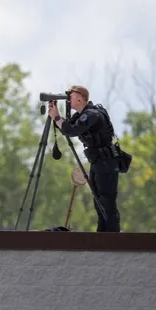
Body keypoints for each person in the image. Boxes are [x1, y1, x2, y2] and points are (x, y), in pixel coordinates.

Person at [48, 85, 121, 232]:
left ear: (80, 98)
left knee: (106, 200)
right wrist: (57, 113)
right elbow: (67, 127)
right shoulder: (82, 114)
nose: (68, 98)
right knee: (98, 200)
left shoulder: (92, 115)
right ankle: (102, 234)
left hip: (106, 161)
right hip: (97, 161)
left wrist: (56, 116)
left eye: (70, 95)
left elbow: (72, 130)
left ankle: (113, 236)